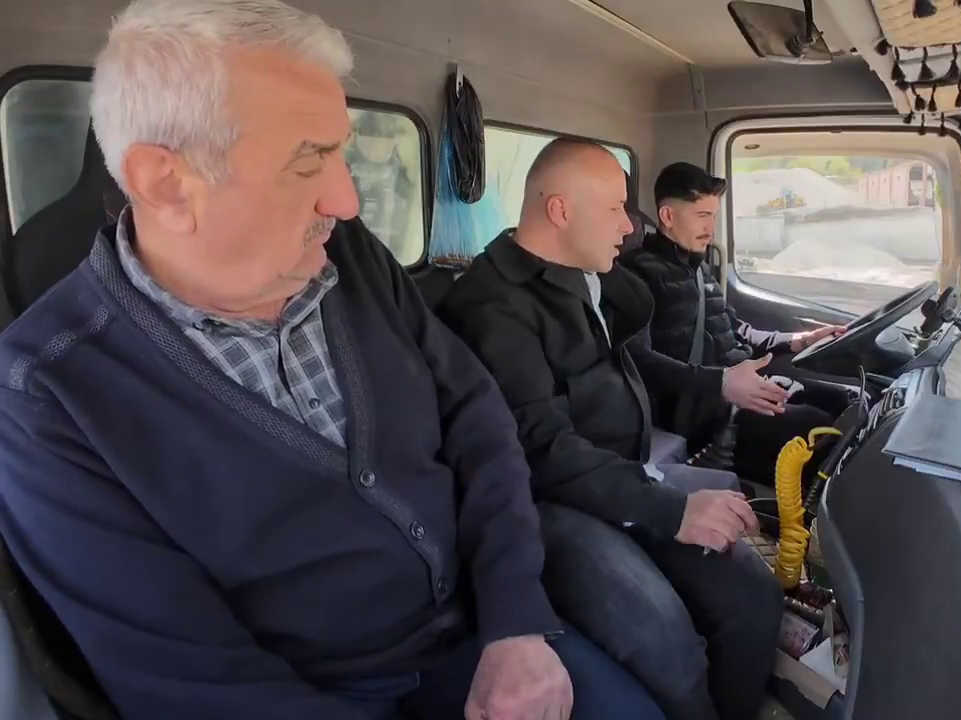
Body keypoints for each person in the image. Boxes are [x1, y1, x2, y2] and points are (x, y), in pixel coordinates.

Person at [0, 2, 664, 719]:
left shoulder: (348, 257)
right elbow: (193, 682)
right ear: (166, 183)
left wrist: (515, 620)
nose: (347, 201)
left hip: (487, 628)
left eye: (342, 152)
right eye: (309, 159)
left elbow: (479, 418)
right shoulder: (45, 391)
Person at [438, 139, 785, 720]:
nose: (630, 226)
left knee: (753, 594)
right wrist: (671, 509)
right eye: (615, 209)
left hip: (623, 475)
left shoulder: (585, 274)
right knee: (666, 642)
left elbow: (631, 358)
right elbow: (541, 450)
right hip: (551, 503)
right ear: (560, 211)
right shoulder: (491, 307)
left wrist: (717, 383)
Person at [619, 162, 853, 485]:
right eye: (702, 215)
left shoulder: (697, 269)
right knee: (820, 428)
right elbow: (636, 363)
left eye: (714, 216)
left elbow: (735, 330)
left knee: (843, 402)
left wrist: (799, 340)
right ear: (668, 216)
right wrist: (722, 383)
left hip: (739, 386)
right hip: (702, 412)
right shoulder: (637, 275)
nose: (710, 228)